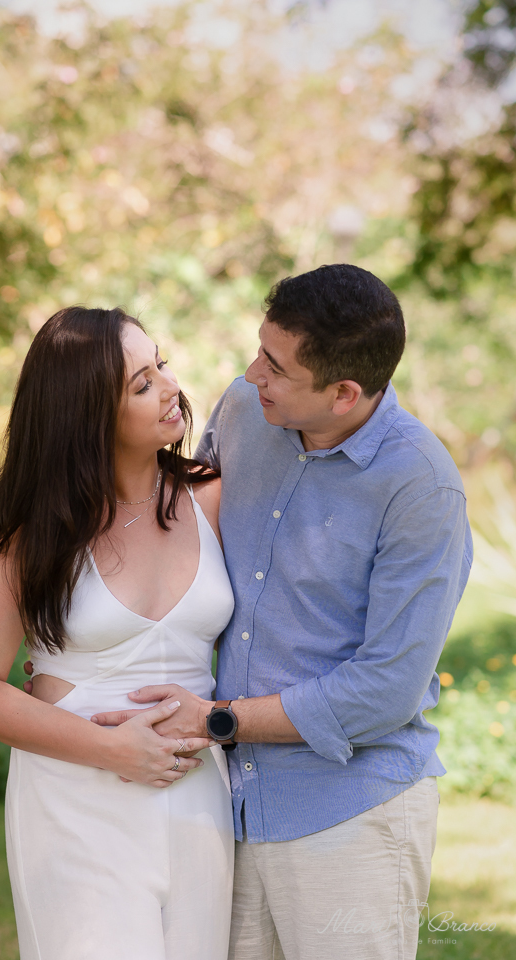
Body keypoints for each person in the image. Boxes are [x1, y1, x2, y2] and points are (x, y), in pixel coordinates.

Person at [91, 265, 473, 960]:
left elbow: (385, 687)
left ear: (343, 393)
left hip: (348, 813)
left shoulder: (420, 489)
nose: (248, 373)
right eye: (259, 349)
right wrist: (86, 656)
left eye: (274, 366)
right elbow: (172, 534)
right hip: (222, 807)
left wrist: (219, 720)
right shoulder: (245, 411)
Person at [0, 306, 235, 960]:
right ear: (86, 416)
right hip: (76, 799)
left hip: (196, 793)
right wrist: (110, 751)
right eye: (139, 384)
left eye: (159, 363)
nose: (169, 386)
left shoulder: (209, 495)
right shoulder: (33, 534)